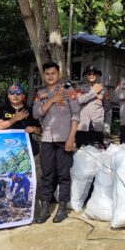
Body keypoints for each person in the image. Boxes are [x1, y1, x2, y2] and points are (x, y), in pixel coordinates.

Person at [33, 61, 80, 224]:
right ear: (44, 76)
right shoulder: (40, 94)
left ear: (58, 74)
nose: (50, 76)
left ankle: (62, 209)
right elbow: (36, 113)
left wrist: (71, 137)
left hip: (64, 139)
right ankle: (45, 208)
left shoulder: (69, 91)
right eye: (47, 74)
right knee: (47, 174)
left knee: (63, 175)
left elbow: (76, 115)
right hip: (47, 139)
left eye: (53, 73)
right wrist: (52, 100)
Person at [0, 83, 42, 154]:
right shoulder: (2, 109)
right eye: (12, 93)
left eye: (18, 93)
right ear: (8, 96)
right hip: (5, 148)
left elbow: (40, 130)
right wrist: (15, 118)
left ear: (23, 96)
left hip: (26, 149)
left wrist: (34, 128)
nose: (15, 95)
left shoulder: (30, 110)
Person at [76, 65, 108, 147]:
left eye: (93, 74)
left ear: (97, 75)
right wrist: (94, 92)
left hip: (97, 125)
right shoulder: (80, 88)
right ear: (86, 76)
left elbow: (107, 105)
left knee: (97, 150)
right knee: (80, 150)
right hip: (82, 125)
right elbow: (78, 101)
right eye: (89, 74)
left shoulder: (103, 89)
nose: (91, 76)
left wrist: (100, 113)